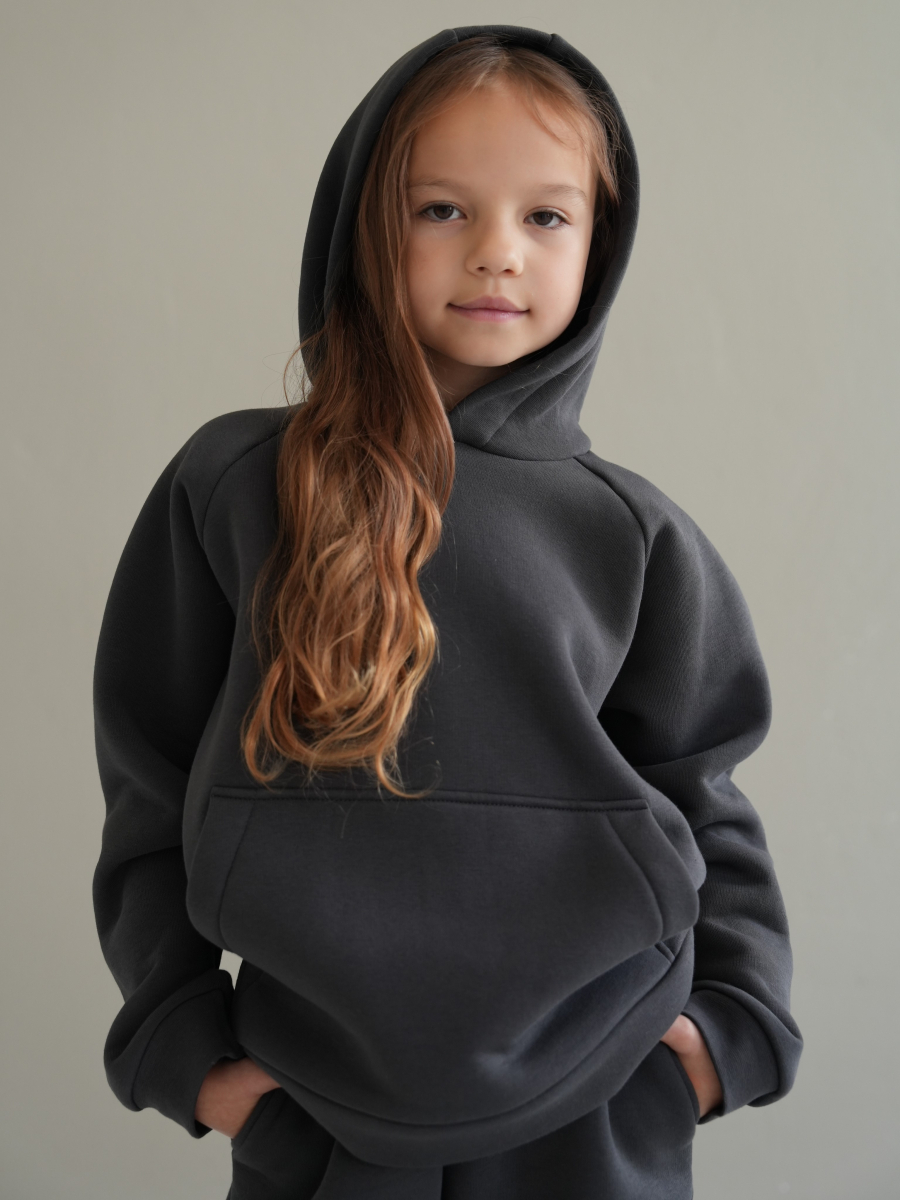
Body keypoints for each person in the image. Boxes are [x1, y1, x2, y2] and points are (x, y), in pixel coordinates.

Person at [92, 25, 802, 1200]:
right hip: (315, 1106)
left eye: (547, 215)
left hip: (604, 1095)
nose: (496, 253)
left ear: (600, 244)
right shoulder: (238, 487)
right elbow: (148, 780)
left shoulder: (637, 533)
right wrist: (180, 1040)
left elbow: (706, 793)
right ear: (364, 225)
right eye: (441, 209)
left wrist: (728, 1037)